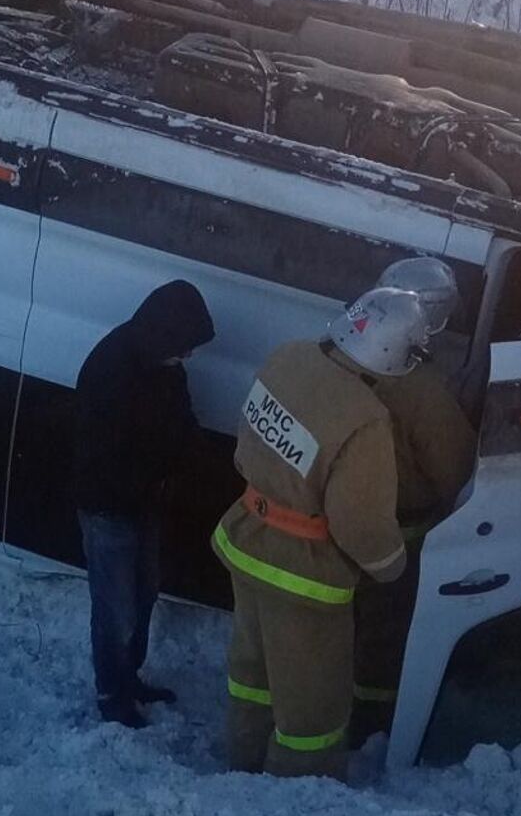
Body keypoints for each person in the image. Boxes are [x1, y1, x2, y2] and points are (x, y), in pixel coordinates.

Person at [215, 287, 423, 780]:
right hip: (302, 578)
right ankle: (296, 793)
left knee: (253, 672)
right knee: (312, 707)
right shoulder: (366, 419)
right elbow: (360, 521)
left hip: (246, 540)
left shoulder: (288, 357)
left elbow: (247, 443)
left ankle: (240, 764)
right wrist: (392, 566)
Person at [72, 279, 216, 728]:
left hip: (144, 502)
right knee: (115, 605)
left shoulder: (163, 364)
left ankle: (129, 676)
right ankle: (111, 692)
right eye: (185, 345)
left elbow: (178, 422)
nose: (189, 356)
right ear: (165, 334)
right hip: (109, 507)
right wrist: (160, 472)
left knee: (143, 593)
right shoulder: (111, 370)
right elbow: (114, 450)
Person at [350, 257, 477, 743]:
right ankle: (371, 721)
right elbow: (456, 468)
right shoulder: (423, 390)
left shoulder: (338, 355)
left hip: (338, 518)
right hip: (400, 530)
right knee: (385, 630)